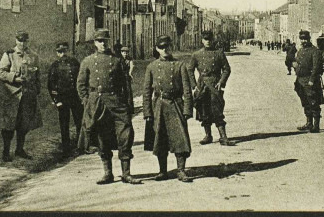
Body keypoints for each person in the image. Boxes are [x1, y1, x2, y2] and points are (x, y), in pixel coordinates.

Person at [77, 29, 141, 185]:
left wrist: (128, 106)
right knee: (102, 139)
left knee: (125, 136)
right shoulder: (88, 61)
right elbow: (81, 85)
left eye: (105, 40)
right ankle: (108, 173)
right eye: (99, 41)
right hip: (98, 104)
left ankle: (126, 174)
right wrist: (87, 102)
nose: (103, 43)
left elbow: (125, 85)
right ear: (95, 43)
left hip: (117, 104)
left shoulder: (117, 61)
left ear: (109, 41)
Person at [143, 35, 194, 183]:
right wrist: (147, 112)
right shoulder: (151, 67)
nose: (165, 50)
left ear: (171, 47)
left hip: (176, 104)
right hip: (158, 105)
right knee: (160, 139)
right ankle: (162, 171)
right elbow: (147, 92)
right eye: (161, 47)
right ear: (157, 49)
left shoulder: (180, 65)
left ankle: (181, 170)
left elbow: (187, 90)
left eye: (167, 47)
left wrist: (187, 110)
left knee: (180, 139)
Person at [0, 31, 43, 162]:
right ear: (16, 41)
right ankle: (6, 152)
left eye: (25, 41)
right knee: (9, 125)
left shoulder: (34, 56)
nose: (22, 43)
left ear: (28, 41)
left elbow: (37, 76)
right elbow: (0, 72)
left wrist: (36, 90)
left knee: (24, 125)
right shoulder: (9, 55)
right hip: (13, 96)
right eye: (20, 41)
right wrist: (14, 78)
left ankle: (19, 149)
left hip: (28, 96)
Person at [188, 30, 234, 146]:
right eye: (205, 39)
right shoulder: (196, 55)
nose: (207, 41)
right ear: (202, 40)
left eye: (209, 39)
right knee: (203, 110)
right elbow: (189, 70)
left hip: (215, 85)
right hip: (202, 86)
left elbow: (226, 69)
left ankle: (223, 137)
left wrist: (221, 82)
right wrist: (194, 85)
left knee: (217, 110)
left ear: (212, 40)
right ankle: (208, 135)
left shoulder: (219, 53)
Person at [48, 42, 83, 157]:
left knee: (79, 122)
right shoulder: (55, 66)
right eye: (60, 52)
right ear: (57, 53)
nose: (63, 54)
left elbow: (81, 79)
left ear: (68, 51)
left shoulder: (75, 63)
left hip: (75, 98)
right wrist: (56, 100)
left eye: (64, 51)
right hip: (63, 99)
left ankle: (81, 146)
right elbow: (51, 85)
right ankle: (66, 149)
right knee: (64, 124)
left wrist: (82, 96)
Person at [294, 30, 324, 133]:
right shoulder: (301, 50)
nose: (303, 41)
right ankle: (309, 123)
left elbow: (316, 67)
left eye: (305, 39)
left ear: (309, 39)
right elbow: (298, 62)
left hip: (310, 81)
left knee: (313, 102)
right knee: (305, 102)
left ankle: (316, 126)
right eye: (301, 39)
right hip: (300, 81)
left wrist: (312, 79)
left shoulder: (314, 51)